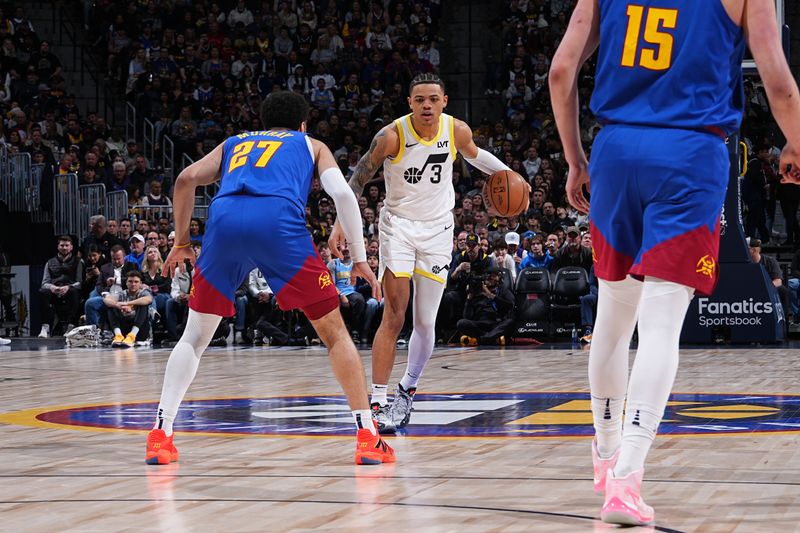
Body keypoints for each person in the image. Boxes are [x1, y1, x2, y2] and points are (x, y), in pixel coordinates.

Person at [550, 0, 800, 525]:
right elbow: (777, 81)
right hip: (690, 155)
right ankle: (626, 482)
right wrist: (796, 144)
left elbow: (561, 71)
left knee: (613, 320)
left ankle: (605, 448)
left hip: (616, 150)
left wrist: (575, 159)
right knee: (660, 327)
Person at [146, 91, 394, 467]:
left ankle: (161, 434)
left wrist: (181, 242)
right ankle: (367, 436)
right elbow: (343, 193)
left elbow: (184, 179)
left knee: (194, 337)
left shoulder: (236, 142)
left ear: (264, 125)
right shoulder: (309, 144)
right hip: (277, 222)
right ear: (303, 124)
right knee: (334, 334)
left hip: (225, 218)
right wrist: (359, 258)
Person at [328, 73, 520, 433]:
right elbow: (358, 179)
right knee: (395, 313)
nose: (427, 105)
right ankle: (378, 400)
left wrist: (511, 174)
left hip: (437, 230)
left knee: (426, 322)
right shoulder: (391, 136)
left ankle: (407, 391)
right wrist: (341, 220)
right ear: (410, 104)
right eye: (420, 100)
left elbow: (476, 157)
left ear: (444, 101)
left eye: (433, 99)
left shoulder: (456, 130)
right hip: (398, 226)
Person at [456, 266, 515, 346]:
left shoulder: (503, 291)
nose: (490, 277)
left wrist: (491, 296)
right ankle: (490, 338)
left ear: (499, 278)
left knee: (510, 322)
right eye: (488, 275)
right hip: (480, 325)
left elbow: (510, 306)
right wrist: (469, 299)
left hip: (496, 323)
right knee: (461, 323)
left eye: (493, 275)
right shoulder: (476, 291)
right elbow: (467, 316)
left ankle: (482, 339)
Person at [38, 235, 83, 337]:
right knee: (43, 292)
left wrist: (68, 287)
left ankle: (70, 327)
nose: (64, 248)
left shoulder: (78, 261)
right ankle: (45, 328)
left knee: (75, 292)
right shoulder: (49, 262)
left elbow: (79, 282)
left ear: (71, 247)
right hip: (54, 291)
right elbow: (44, 283)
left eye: (67, 245)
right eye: (62, 245)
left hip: (69, 291)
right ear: (58, 247)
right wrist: (52, 288)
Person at [104, 270, 153, 348]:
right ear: (126, 283)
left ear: (140, 284)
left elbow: (149, 299)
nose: (133, 284)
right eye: (130, 281)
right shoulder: (122, 293)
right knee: (111, 306)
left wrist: (128, 304)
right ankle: (118, 336)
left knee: (143, 305)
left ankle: (132, 335)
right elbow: (106, 299)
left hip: (139, 330)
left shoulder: (144, 292)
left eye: (136, 282)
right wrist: (118, 305)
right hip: (124, 328)